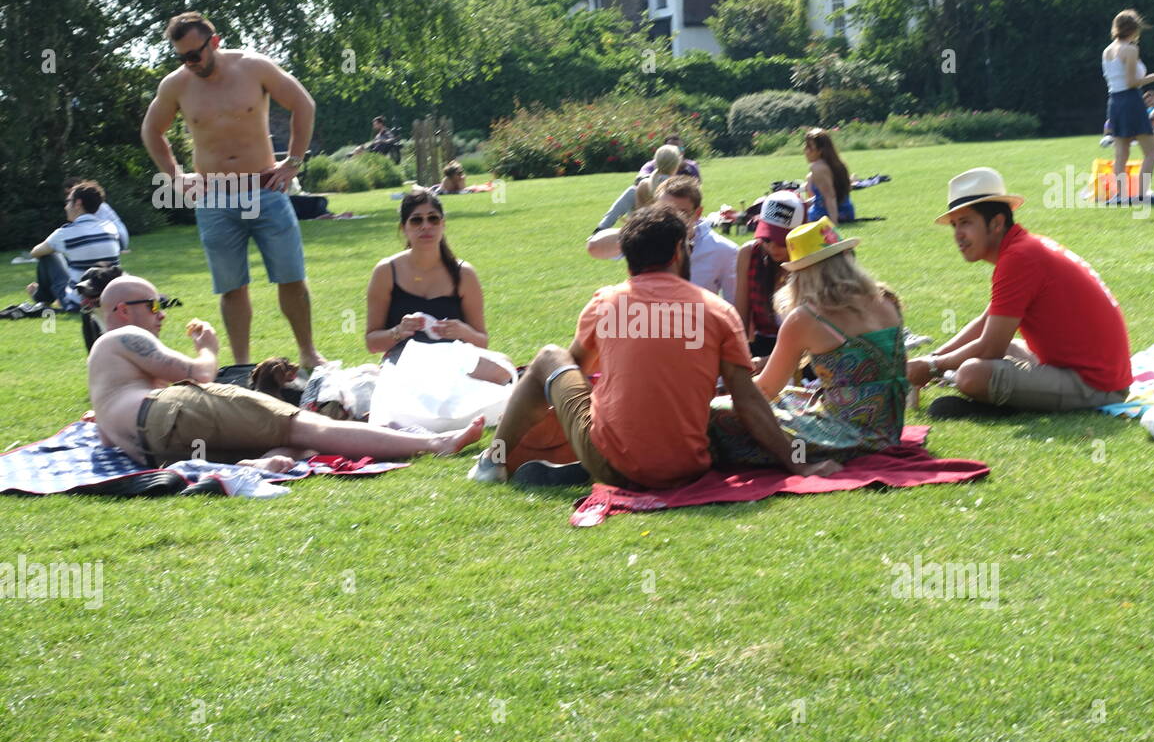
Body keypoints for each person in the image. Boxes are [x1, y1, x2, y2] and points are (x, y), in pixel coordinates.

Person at [466, 206, 841, 487]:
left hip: (614, 462)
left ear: (628, 256)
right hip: (689, 467)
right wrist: (798, 461)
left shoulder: (606, 303)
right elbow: (749, 400)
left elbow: (571, 377)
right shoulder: (717, 310)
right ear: (679, 251)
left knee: (550, 357)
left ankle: (493, 459)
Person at [87, 274, 484, 471]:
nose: (162, 314)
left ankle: (273, 459)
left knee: (285, 435)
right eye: (154, 306)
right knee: (309, 425)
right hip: (169, 415)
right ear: (123, 311)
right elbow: (199, 374)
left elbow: (106, 433)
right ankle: (437, 445)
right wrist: (207, 350)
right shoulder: (119, 338)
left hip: (158, 447)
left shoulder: (106, 372)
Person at [140, 11, 325, 370]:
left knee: (291, 276)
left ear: (214, 42)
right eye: (181, 57)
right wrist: (176, 177)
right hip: (214, 197)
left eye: (194, 54)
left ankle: (308, 353)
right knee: (231, 286)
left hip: (265, 189)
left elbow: (303, 103)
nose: (189, 63)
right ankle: (242, 366)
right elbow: (152, 131)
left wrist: (294, 162)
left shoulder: (255, 67)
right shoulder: (176, 85)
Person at [907, 167, 1131, 417]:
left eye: (966, 222)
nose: (958, 235)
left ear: (997, 223)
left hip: (1096, 385)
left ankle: (1004, 407)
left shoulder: (1019, 258)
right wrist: (933, 358)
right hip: (1090, 371)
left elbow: (990, 347)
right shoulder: (1023, 248)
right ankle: (1006, 399)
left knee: (972, 373)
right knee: (1006, 349)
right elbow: (986, 323)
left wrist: (932, 367)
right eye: (955, 225)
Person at [708, 217, 907, 466]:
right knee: (790, 397)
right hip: (889, 432)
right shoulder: (887, 300)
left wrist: (720, 393)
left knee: (716, 413)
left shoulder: (807, 318)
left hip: (849, 440)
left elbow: (765, 390)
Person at [364, 188, 510, 382]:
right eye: (416, 220)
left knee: (503, 366)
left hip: (454, 357)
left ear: (443, 224)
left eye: (433, 219)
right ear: (404, 228)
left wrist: (462, 332)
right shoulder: (386, 271)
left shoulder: (464, 274)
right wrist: (398, 331)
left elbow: (482, 341)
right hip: (406, 361)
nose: (426, 226)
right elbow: (372, 343)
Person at [586, 175, 737, 303]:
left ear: (698, 213)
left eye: (682, 213)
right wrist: (638, 229)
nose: (673, 218)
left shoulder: (723, 250)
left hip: (695, 331)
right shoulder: (647, 239)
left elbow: (735, 309)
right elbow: (595, 248)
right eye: (666, 211)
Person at [1101, 9, 1154, 202]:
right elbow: (1132, 81)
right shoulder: (1130, 49)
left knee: (1121, 153)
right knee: (1151, 152)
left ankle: (1122, 195)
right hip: (1131, 100)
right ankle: (1142, 193)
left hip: (1114, 102)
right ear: (1133, 29)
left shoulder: (1107, 50)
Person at [25, 181, 121, 311]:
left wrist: (56, 249)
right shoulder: (110, 227)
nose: (66, 207)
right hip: (110, 297)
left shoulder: (66, 233)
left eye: (68, 201)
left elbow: (35, 252)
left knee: (49, 256)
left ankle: (41, 296)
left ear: (78, 203)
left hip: (79, 302)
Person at [734, 191, 804, 359]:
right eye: (766, 239)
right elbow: (740, 320)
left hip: (805, 351)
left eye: (781, 242)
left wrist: (767, 363)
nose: (772, 247)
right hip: (763, 345)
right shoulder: (749, 254)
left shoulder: (811, 259)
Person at [593, 145, 681, 232]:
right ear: (677, 163)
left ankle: (602, 227)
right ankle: (603, 226)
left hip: (643, 232)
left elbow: (639, 220)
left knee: (632, 191)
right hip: (669, 233)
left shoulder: (645, 184)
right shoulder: (679, 187)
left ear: (656, 161)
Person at [803, 128, 855, 223]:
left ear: (820, 150)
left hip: (824, 215)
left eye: (809, 147)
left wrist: (833, 224)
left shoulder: (817, 167)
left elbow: (830, 196)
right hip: (847, 212)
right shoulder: (839, 164)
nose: (805, 150)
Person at [64, 177, 128, 248]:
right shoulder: (92, 204)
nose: (68, 197)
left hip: (117, 239)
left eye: (70, 193)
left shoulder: (95, 206)